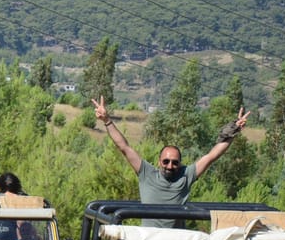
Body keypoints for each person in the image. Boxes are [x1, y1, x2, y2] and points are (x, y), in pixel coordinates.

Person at [91, 96, 250, 228]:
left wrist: (233, 129)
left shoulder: (186, 175)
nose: (170, 166)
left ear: (180, 163)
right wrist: (107, 120)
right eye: (166, 161)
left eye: (175, 162)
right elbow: (124, 147)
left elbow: (212, 156)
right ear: (159, 161)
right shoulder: (147, 173)